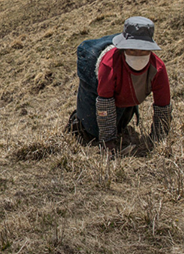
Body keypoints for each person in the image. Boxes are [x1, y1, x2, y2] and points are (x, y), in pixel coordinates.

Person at [68, 16, 172, 152]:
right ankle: (78, 120)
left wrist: (158, 139)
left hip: (127, 90)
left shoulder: (157, 69)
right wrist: (108, 141)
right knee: (91, 133)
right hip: (95, 82)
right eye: (132, 50)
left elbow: (163, 106)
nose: (138, 55)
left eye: (143, 51)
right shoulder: (109, 65)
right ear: (124, 49)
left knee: (120, 127)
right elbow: (105, 103)